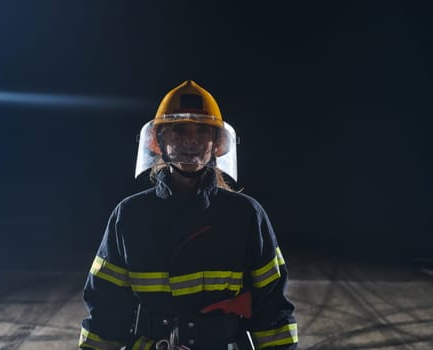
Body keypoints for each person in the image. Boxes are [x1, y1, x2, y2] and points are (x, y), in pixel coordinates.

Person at [79, 80, 298, 349]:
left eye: (203, 131)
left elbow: (272, 308)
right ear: (159, 140)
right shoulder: (130, 215)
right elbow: (105, 308)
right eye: (178, 131)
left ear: (216, 143)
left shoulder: (246, 215)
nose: (191, 141)